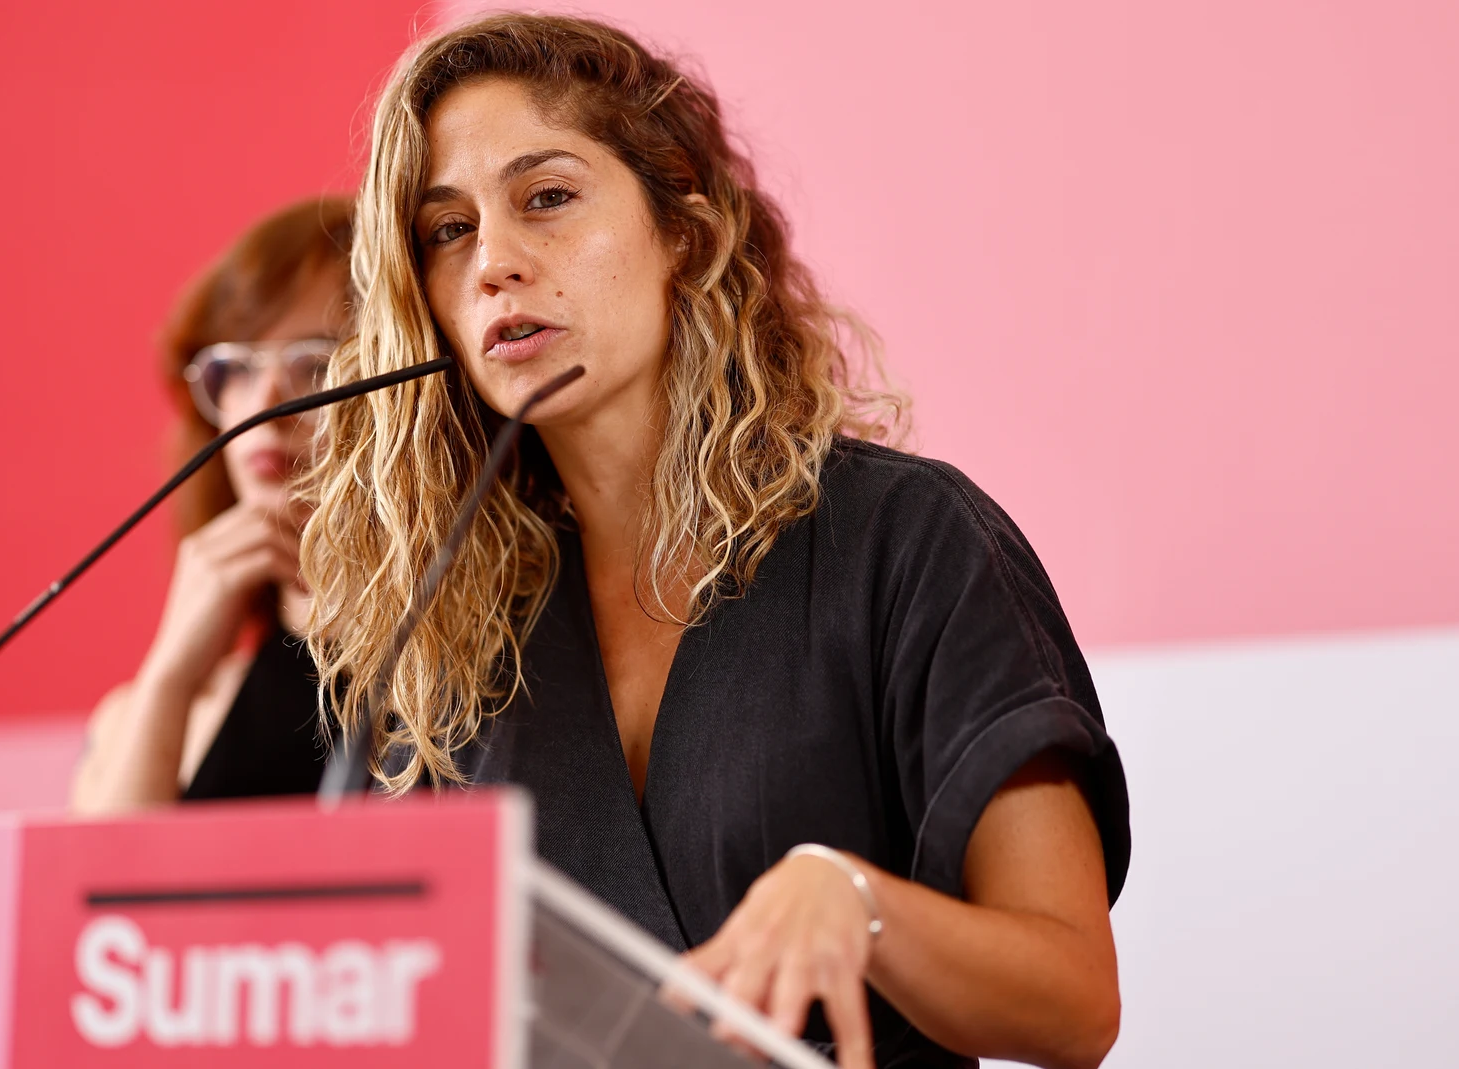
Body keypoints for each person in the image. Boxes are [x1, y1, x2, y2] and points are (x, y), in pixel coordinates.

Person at [298, 15, 1130, 1069]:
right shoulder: (444, 638)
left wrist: (857, 900)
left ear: (681, 227)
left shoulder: (905, 541)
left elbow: (1073, 1003)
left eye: (546, 197)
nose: (495, 263)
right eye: (447, 230)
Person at [69, 197, 350, 815]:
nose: (265, 404)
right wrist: (170, 679)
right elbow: (103, 879)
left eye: (314, 363)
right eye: (236, 369)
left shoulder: (491, 670)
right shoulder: (160, 710)